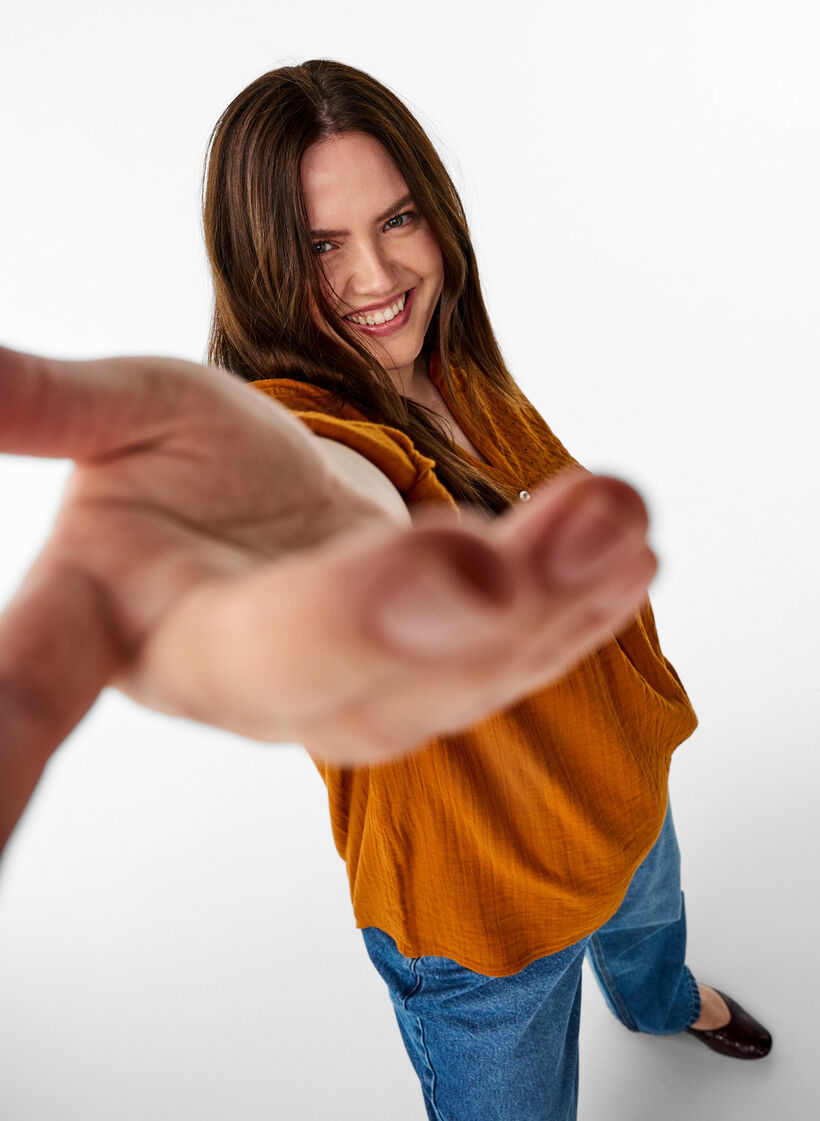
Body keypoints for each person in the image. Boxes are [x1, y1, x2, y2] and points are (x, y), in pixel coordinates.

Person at [0, 58, 771, 1120]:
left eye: (397, 218)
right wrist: (278, 565)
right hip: (484, 919)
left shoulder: (454, 359)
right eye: (322, 244)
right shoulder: (313, 427)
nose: (376, 276)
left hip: (623, 794)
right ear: (261, 258)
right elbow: (343, 493)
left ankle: (659, 1000)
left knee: (649, 932)